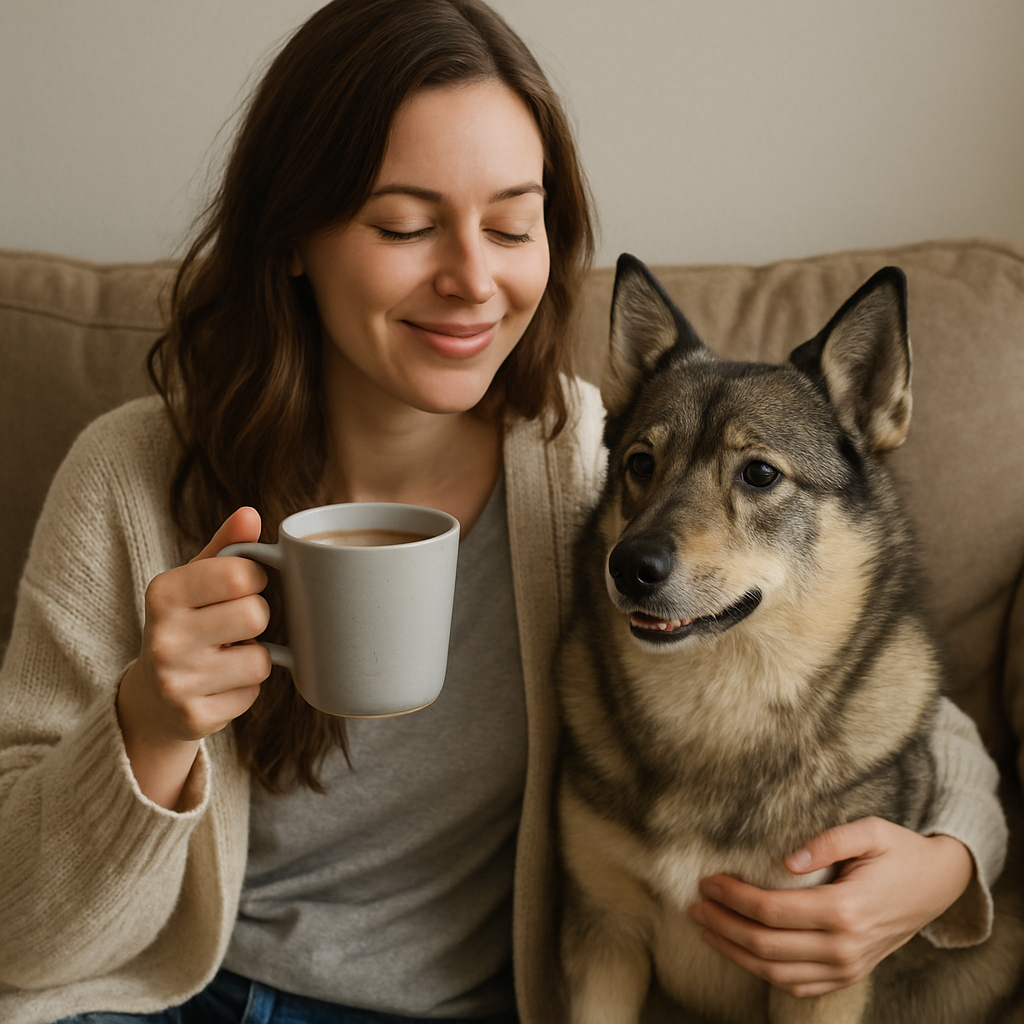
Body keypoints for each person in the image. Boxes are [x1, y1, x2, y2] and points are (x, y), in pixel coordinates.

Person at [0, 1, 1007, 1022]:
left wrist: (942, 864)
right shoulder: (132, 478)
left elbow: (877, 679)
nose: (473, 281)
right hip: (157, 999)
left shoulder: (588, 467)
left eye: (514, 225)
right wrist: (148, 726)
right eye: (404, 224)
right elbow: (17, 929)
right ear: (292, 235)